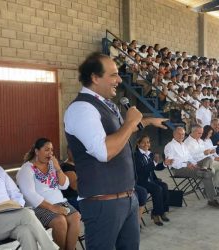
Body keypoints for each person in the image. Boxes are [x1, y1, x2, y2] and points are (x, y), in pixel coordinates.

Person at [64, 52, 168, 249]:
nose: (119, 80)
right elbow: (104, 151)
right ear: (94, 78)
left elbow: (120, 134)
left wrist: (145, 122)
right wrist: (130, 122)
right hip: (103, 203)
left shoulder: (105, 105)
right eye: (113, 75)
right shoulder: (82, 109)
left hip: (127, 198)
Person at [0, 152, 57, 250]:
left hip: (8, 216)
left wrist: (17, 206)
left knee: (25, 231)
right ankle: (51, 248)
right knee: (26, 213)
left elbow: (15, 192)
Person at [16, 138, 81, 250]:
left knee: (76, 216)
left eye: (51, 150)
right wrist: (53, 208)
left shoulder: (52, 165)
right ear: (37, 151)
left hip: (60, 203)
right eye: (46, 150)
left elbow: (64, 185)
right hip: (39, 207)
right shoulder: (26, 169)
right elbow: (29, 194)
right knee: (60, 221)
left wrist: (58, 168)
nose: (50, 153)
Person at [164, 127, 219, 208]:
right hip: (179, 169)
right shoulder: (170, 146)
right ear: (174, 134)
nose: (181, 136)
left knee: (208, 159)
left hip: (190, 166)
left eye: (182, 134)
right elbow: (172, 163)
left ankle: (204, 169)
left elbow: (189, 157)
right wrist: (186, 164)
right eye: (179, 134)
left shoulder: (183, 144)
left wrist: (194, 163)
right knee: (207, 174)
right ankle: (212, 199)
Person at [134, 135, 171, 226]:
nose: (146, 144)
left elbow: (156, 167)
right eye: (143, 142)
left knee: (164, 186)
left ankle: (162, 211)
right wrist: (154, 162)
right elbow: (141, 170)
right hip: (141, 181)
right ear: (138, 144)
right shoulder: (136, 155)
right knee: (157, 189)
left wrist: (164, 164)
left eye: (148, 142)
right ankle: (155, 214)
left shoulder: (150, 154)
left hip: (151, 179)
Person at [184, 125, 219, 193]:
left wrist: (211, 152)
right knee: (211, 171)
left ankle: (213, 187)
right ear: (193, 132)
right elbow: (190, 157)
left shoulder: (200, 140)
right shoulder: (187, 142)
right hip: (197, 163)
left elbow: (205, 151)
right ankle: (209, 190)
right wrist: (204, 153)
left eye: (201, 133)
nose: (201, 135)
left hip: (206, 161)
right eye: (199, 133)